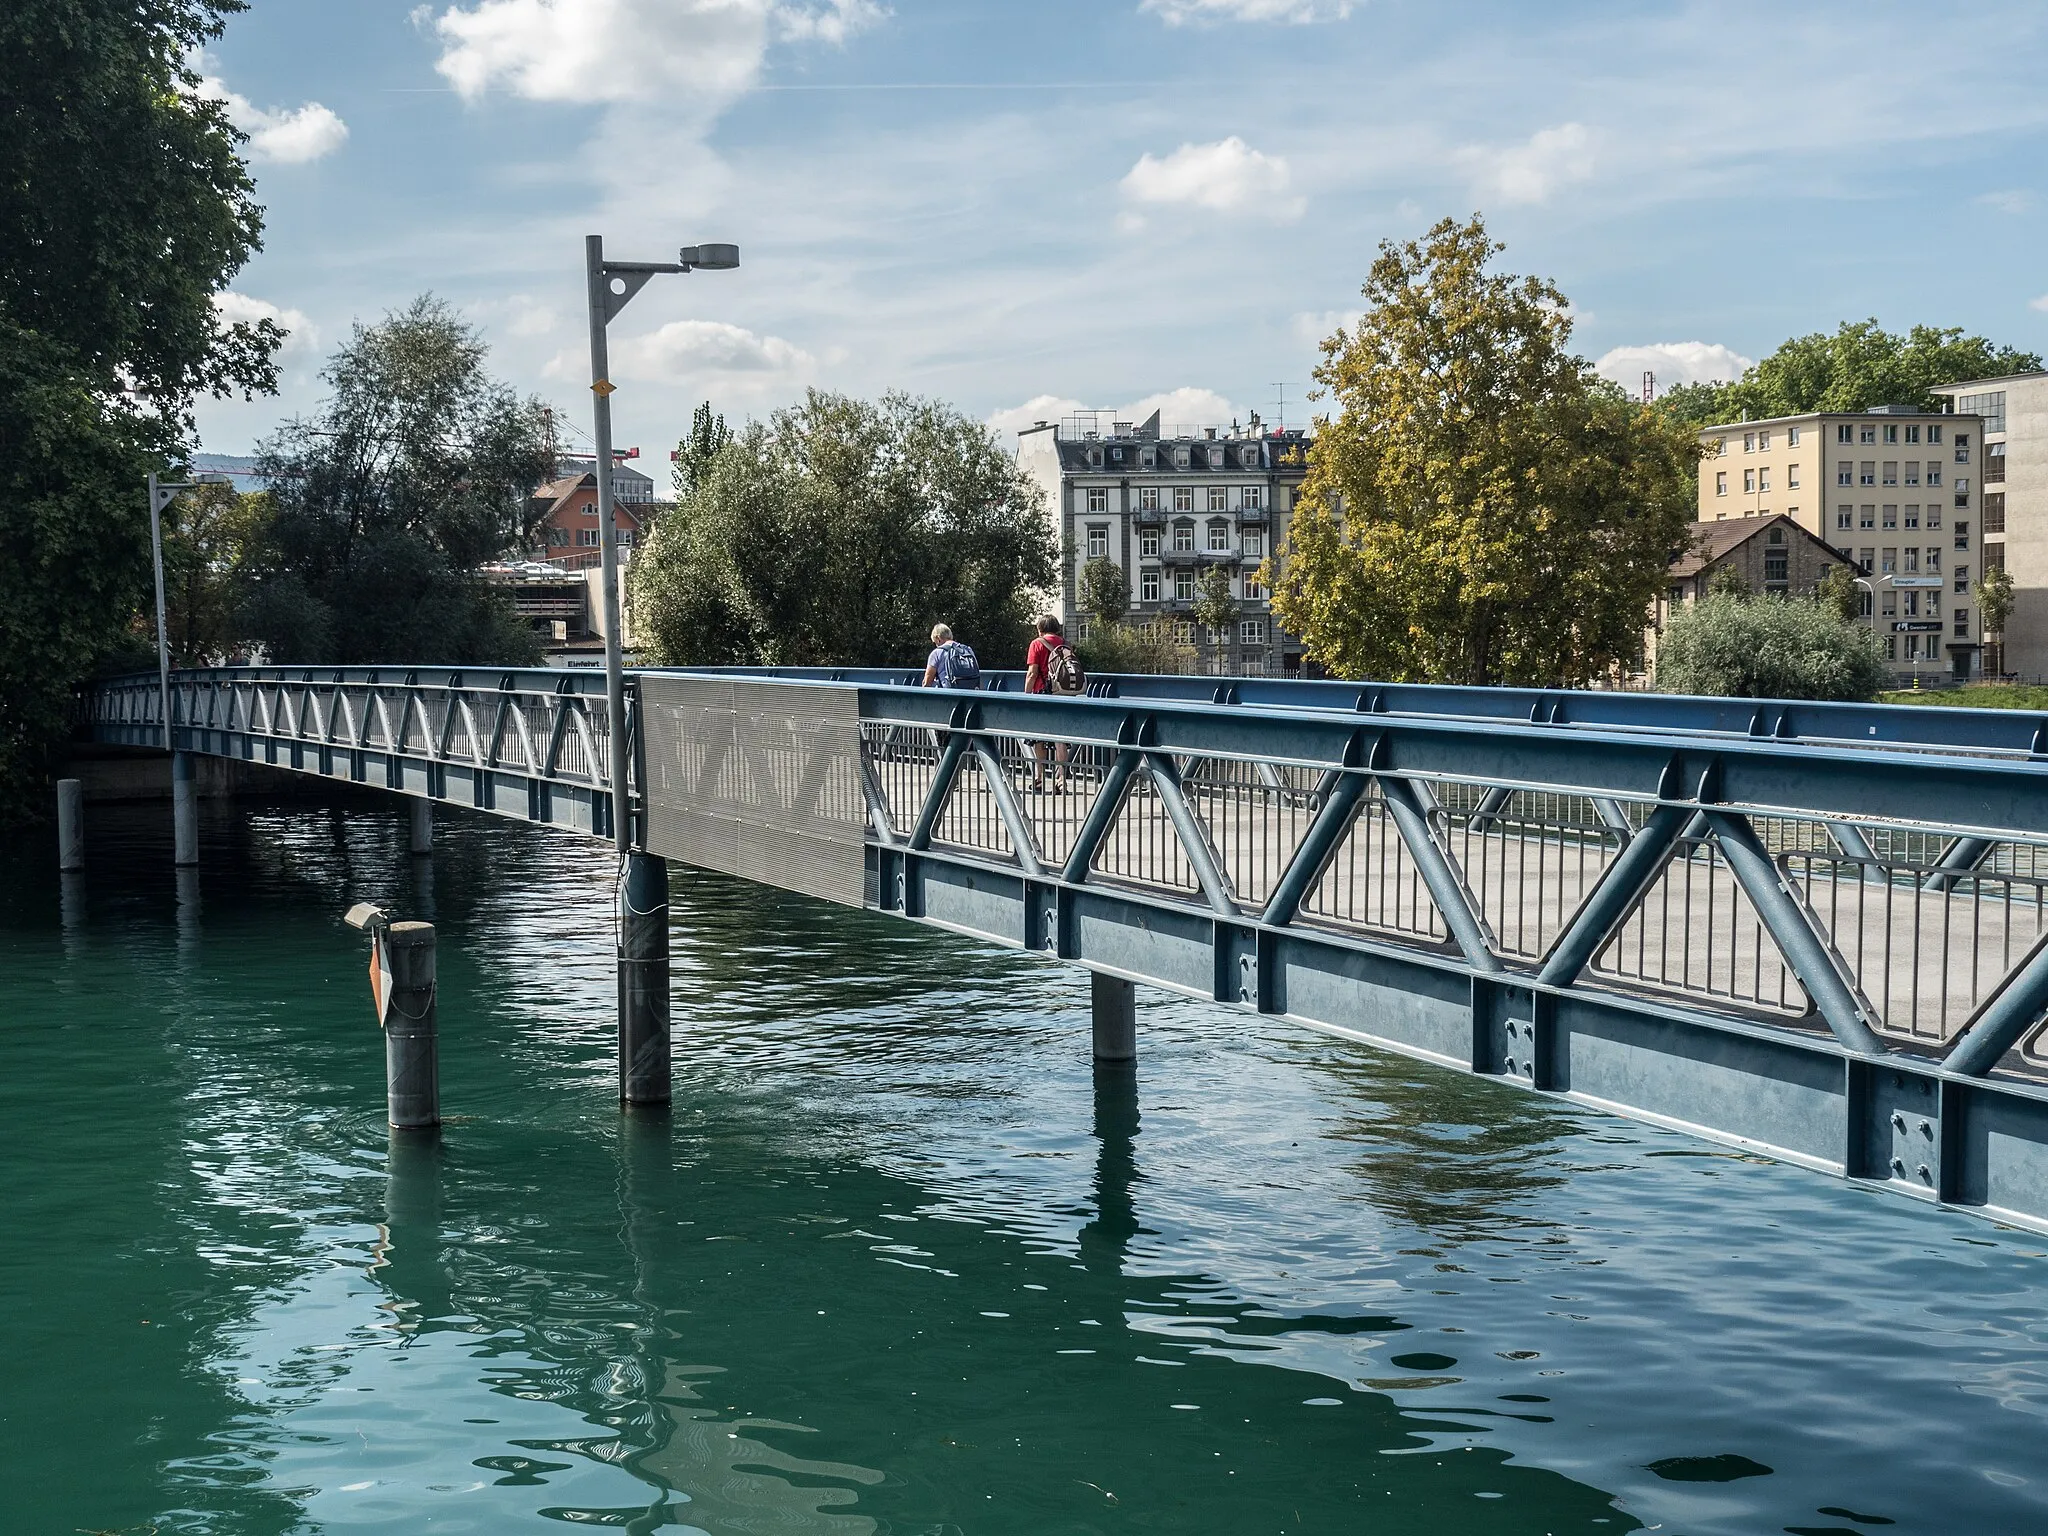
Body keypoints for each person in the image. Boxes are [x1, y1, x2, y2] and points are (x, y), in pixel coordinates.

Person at [1024, 614, 1082, 791]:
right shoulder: (1065, 643)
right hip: (1062, 694)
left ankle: (1039, 777)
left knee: (1038, 738)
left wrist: (1026, 694)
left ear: (1040, 629)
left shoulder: (1037, 643)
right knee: (1060, 738)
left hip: (1042, 693)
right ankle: (1061, 778)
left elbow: (1032, 673)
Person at [922, 623, 981, 690]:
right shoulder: (967, 649)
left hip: (949, 696)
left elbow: (927, 682)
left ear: (938, 638)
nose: (936, 645)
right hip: (971, 694)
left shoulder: (937, 653)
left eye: (935, 642)